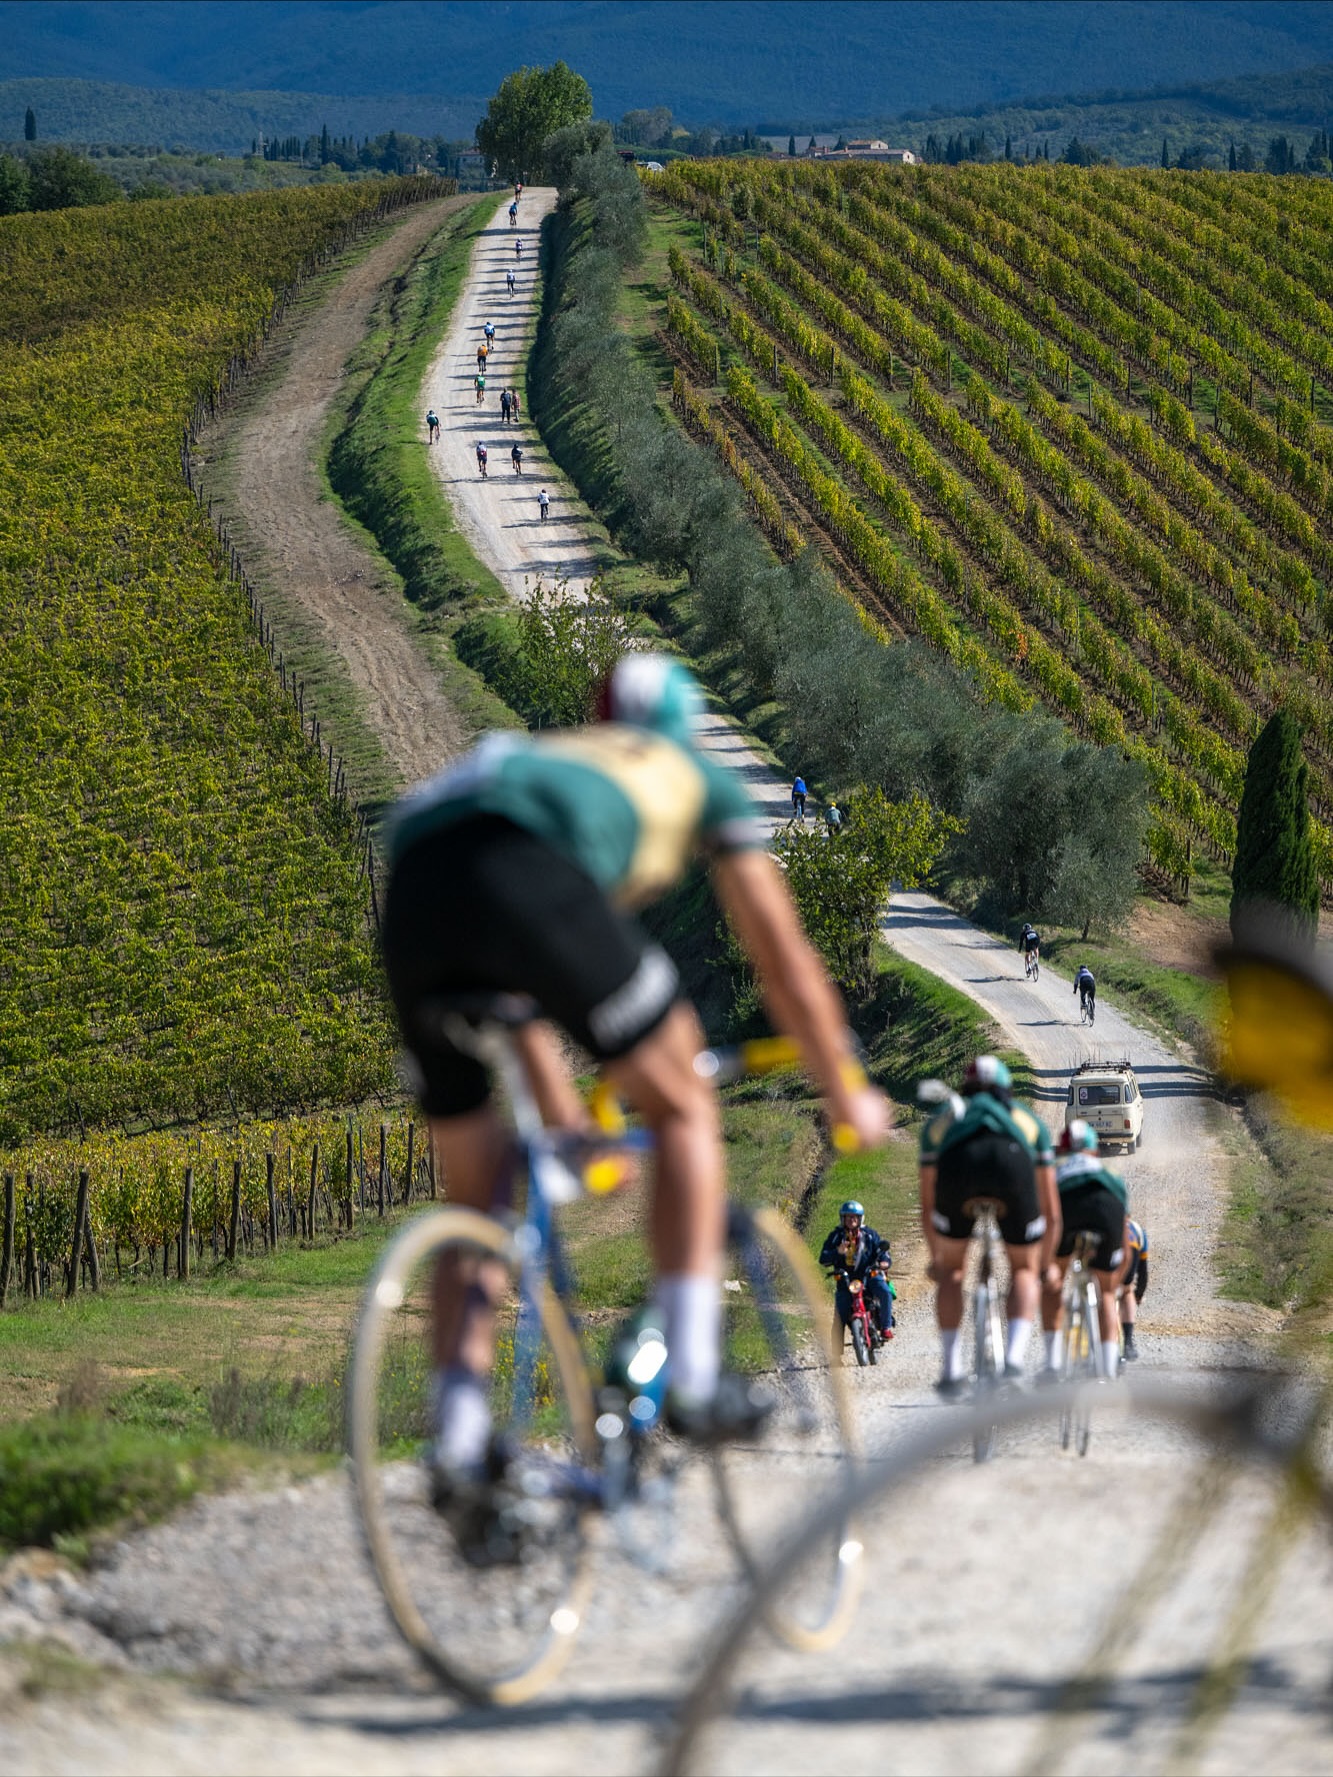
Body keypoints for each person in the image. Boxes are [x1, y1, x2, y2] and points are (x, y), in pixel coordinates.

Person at [381, 652, 893, 1523]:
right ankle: (691, 1373)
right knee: (683, 1097)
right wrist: (845, 1087)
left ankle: (459, 1446)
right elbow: (781, 957)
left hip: (415, 887)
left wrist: (564, 1118)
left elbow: (518, 993)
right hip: (525, 875)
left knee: (479, 1190)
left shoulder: (550, 757)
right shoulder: (690, 772)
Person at [919, 1055, 1060, 1396]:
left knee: (954, 1271)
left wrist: (938, 1259)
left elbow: (927, 1200)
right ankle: (1012, 1362)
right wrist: (1044, 1264)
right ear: (1007, 1089)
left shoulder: (943, 1119)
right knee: (1023, 1269)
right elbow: (1051, 1208)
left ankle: (952, 1371)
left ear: (965, 1089)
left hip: (959, 1164)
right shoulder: (1026, 1120)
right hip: (1010, 1161)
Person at [1038, 1121, 1130, 1383]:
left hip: (1067, 1203)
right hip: (1107, 1207)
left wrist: (1045, 1267)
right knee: (1107, 1293)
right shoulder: (1110, 1171)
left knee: (1054, 1283)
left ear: (1062, 1150)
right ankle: (1108, 1369)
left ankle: (1053, 1364)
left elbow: (1047, 1218)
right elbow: (1125, 1238)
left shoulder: (1055, 1166)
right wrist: (1118, 1280)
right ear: (1094, 1151)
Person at [819, 1200, 894, 1343]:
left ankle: (886, 1327)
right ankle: (836, 1351)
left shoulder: (870, 1234)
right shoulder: (836, 1237)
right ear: (842, 1219)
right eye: (848, 1217)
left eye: (854, 1217)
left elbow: (882, 1252)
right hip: (846, 1281)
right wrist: (837, 1252)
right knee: (840, 1314)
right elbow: (823, 1258)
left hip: (869, 1276)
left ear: (860, 1219)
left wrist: (884, 1262)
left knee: (885, 1292)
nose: (851, 1220)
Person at [1119, 1217, 1148, 1361]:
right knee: (1127, 1291)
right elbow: (1143, 1273)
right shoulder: (1137, 1229)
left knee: (1105, 1292)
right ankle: (1128, 1343)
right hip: (1131, 1248)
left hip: (1109, 1242)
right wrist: (1138, 1295)